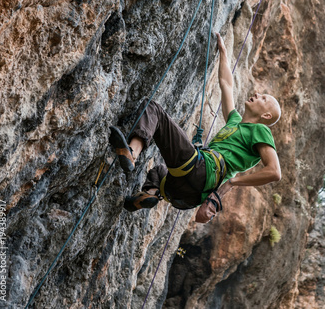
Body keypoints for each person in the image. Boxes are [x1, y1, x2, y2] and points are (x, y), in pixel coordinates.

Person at [109, 32, 281, 214]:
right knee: (159, 171)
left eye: (263, 98)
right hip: (188, 195)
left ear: (267, 116)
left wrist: (233, 182)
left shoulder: (260, 130)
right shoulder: (235, 120)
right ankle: (148, 195)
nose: (256, 95)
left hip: (204, 169)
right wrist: (223, 52)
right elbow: (226, 85)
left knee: (153, 109)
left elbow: (274, 172)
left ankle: (132, 153)